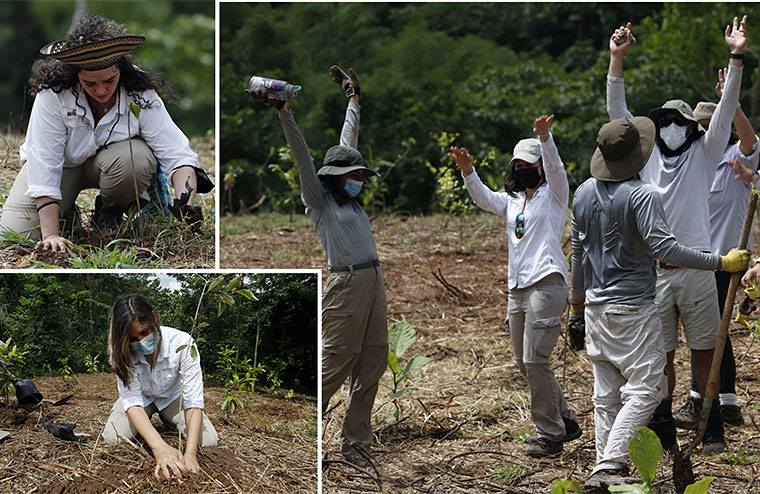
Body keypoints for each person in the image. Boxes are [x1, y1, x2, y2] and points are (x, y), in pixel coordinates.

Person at [572, 117, 749, 491]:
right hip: (632, 307)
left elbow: (578, 252)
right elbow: (665, 248)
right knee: (650, 388)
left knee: (606, 396)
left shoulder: (584, 192)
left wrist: (574, 308)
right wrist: (721, 261)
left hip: (595, 308)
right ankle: (608, 463)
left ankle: (603, 477)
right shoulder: (643, 194)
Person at [606, 16, 747, 454]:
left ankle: (711, 428)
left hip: (699, 268)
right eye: (662, 120)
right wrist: (616, 60)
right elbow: (618, 118)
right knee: (661, 356)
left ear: (691, 126)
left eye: (676, 120)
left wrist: (736, 56)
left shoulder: (706, 154)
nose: (668, 126)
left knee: (705, 350)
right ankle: (665, 429)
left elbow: (725, 114)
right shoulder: (645, 159)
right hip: (656, 272)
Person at [249, 66, 387, 467]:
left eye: (361, 172)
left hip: (373, 280)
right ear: (338, 178)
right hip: (345, 286)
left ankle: (357, 445)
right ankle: (300, 442)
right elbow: (303, 158)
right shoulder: (320, 200)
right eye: (355, 174)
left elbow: (349, 142)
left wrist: (354, 101)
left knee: (374, 360)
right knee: (335, 365)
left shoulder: (350, 198)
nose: (360, 178)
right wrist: (284, 113)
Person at [0, 15, 213, 251]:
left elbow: (177, 155)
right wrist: (51, 234)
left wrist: (186, 205)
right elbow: (44, 162)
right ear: (76, 75)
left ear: (120, 70)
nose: (101, 90)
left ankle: (109, 212)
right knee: (15, 237)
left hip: (116, 166)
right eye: (90, 84)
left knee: (136, 157)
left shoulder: (140, 93)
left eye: (109, 81)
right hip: (62, 167)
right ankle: (66, 216)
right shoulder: (53, 94)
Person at [449, 115, 582, 458]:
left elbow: (556, 169)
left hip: (547, 282)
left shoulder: (554, 195)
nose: (522, 169)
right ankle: (565, 418)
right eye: (517, 164)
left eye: (528, 164)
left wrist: (545, 138)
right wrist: (468, 172)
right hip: (518, 288)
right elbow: (484, 199)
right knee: (526, 362)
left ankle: (550, 434)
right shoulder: (513, 201)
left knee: (535, 359)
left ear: (539, 167)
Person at [673, 75, 759, 430]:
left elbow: (750, 141)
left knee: (711, 334)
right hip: (699, 259)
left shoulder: (735, 156)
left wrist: (733, 103)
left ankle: (710, 402)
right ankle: (724, 403)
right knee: (706, 334)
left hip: (728, 258)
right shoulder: (691, 163)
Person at [102, 293, 218, 480]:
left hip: (173, 398)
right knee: (112, 438)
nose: (140, 342)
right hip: (142, 400)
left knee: (209, 441)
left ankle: (166, 421)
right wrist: (160, 448)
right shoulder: (122, 354)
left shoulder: (183, 343)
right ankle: (147, 429)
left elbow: (193, 401)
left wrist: (190, 454)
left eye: (145, 332)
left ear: (154, 318)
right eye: (132, 339)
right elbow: (132, 401)